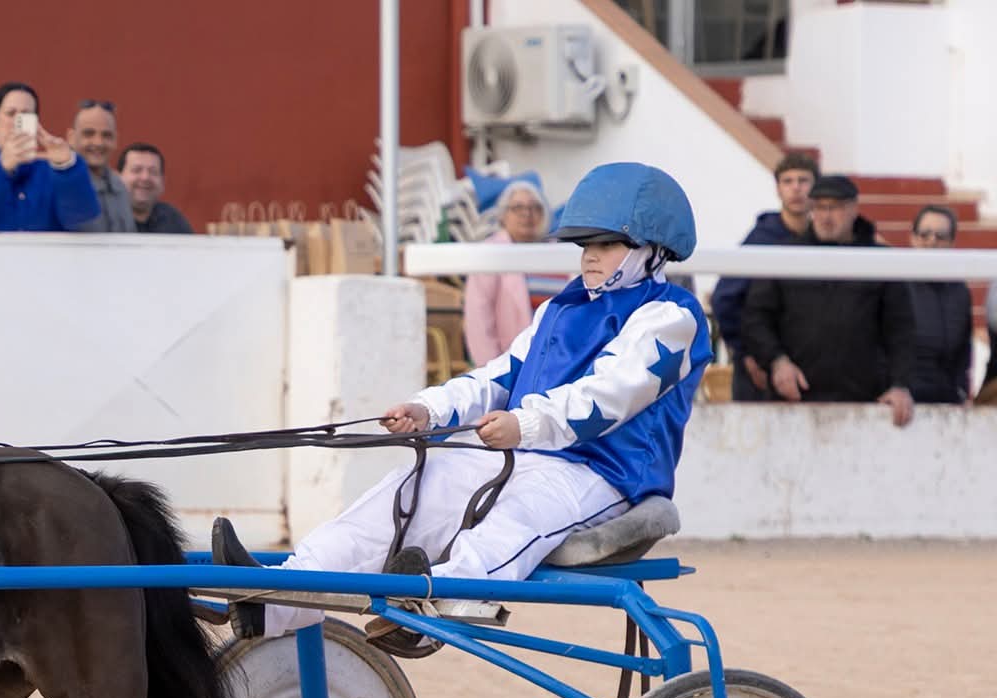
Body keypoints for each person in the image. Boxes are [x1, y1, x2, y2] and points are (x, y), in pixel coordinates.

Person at [214, 162, 712, 641]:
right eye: (584, 245)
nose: (589, 256)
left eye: (606, 244)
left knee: (520, 515)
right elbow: (497, 375)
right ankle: (278, 597)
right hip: (526, 454)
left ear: (652, 249)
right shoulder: (562, 310)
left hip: (604, 473)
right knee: (416, 487)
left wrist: (524, 425)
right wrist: (429, 410)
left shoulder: (671, 317)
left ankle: (445, 603)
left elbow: (608, 396)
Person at [739, 174, 916, 426]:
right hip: (795, 402)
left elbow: (901, 330)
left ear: (854, 208)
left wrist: (900, 385)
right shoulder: (785, 255)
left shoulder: (880, 261)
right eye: (819, 207)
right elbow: (756, 317)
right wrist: (777, 361)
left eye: (835, 207)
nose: (826, 216)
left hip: (866, 403)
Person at [710, 151, 817, 400]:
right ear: (778, 189)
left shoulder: (821, 239)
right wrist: (746, 353)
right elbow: (724, 298)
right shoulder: (760, 239)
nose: (796, 189)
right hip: (758, 368)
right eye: (788, 181)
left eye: (803, 181)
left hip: (806, 365)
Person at [0, 82, 98, 233]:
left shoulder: (50, 170)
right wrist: (1, 169)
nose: (17, 121)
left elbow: (82, 217)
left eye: (26, 115)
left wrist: (66, 168)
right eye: (11, 113)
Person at [463, 179, 548, 364]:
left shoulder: (555, 251)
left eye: (535, 207)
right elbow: (479, 320)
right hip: (511, 363)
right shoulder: (491, 253)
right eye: (518, 208)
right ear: (503, 216)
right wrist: (492, 372)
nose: (527, 214)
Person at [905, 204, 971, 405]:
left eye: (940, 236)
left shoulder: (960, 291)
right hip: (903, 401)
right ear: (913, 238)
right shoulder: (895, 286)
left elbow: (964, 354)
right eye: (924, 234)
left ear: (951, 243)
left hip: (948, 400)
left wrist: (961, 391)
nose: (932, 241)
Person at [65, 99, 134, 233]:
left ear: (115, 140)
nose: (98, 142)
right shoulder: (59, 184)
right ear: (71, 137)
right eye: (89, 134)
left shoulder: (120, 187)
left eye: (106, 135)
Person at [116, 143, 192, 234]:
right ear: (117, 179)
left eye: (153, 172)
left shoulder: (173, 221)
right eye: (137, 170)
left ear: (163, 181)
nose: (145, 177)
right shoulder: (104, 218)